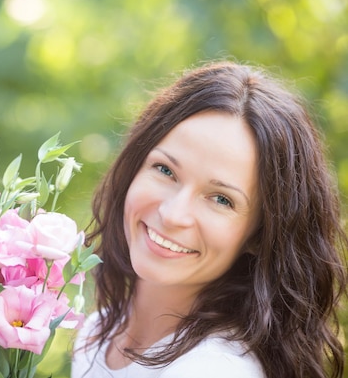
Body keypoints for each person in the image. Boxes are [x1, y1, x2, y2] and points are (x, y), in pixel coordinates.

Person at [72, 61, 347, 378]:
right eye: (165, 170)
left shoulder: (214, 368)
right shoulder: (97, 332)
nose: (173, 214)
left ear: (260, 235)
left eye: (221, 199)